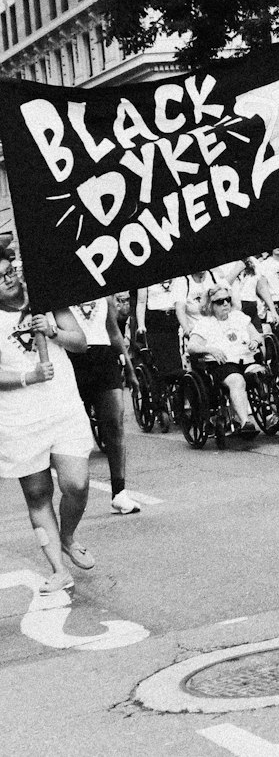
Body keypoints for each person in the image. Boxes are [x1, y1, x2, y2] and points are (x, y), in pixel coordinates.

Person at [0, 252, 91, 594]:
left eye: (10, 272)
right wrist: (29, 376)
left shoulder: (46, 299)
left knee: (77, 485)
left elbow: (80, 342)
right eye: (1, 277)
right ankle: (57, 568)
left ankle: (67, 536)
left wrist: (52, 331)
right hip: (19, 419)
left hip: (63, 408)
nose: (9, 279)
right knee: (38, 494)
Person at [68, 295, 142, 515]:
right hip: (73, 359)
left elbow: (113, 331)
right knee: (74, 428)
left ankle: (119, 492)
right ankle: (74, 492)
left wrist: (128, 367)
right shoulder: (60, 290)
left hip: (104, 358)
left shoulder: (105, 295)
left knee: (114, 422)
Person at [186, 284, 263, 438]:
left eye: (227, 300)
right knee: (237, 380)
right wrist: (210, 349)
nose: (226, 304)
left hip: (246, 359)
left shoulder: (239, 317)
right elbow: (191, 346)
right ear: (210, 304)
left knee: (261, 375)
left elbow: (257, 336)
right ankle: (245, 422)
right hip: (223, 364)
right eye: (220, 301)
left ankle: (269, 416)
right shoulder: (205, 323)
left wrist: (255, 341)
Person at [135, 276, 186, 383]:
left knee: (175, 358)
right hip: (155, 319)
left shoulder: (178, 276)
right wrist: (141, 325)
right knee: (159, 359)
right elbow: (141, 302)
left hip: (172, 318)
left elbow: (180, 305)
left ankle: (177, 393)